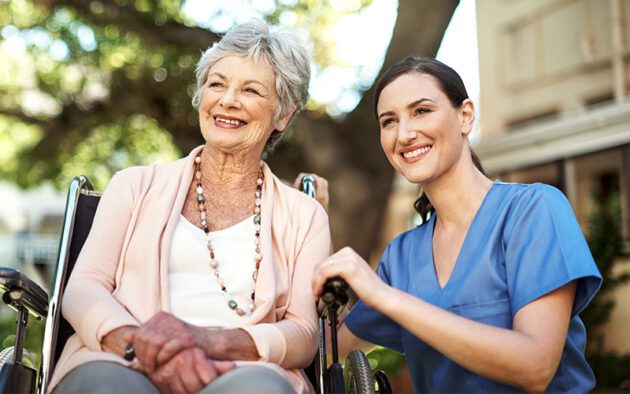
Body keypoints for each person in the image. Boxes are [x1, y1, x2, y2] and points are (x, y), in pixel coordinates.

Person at [50, 19, 331, 394]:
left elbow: (302, 333)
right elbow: (84, 288)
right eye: (217, 84)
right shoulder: (133, 186)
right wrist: (145, 347)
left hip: (244, 372)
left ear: (283, 113)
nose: (227, 100)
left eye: (251, 90)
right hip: (124, 360)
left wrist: (206, 343)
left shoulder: (305, 215)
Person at [312, 56, 602, 393]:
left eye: (421, 111)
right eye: (389, 121)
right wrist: (313, 221)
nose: (404, 134)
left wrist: (386, 298)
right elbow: (329, 349)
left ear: (465, 116)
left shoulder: (533, 210)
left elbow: (535, 367)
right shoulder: (403, 256)